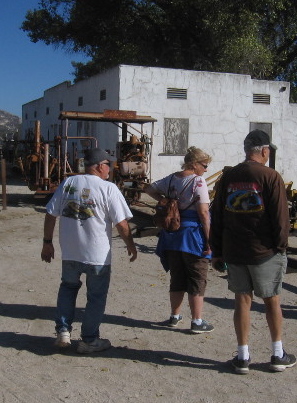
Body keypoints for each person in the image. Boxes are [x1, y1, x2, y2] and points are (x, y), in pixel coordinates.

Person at [210, 130, 296, 374]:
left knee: (242, 301)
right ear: (265, 151)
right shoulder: (271, 176)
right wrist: (280, 247)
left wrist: (217, 250)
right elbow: (281, 218)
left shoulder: (229, 176)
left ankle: (242, 356)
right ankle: (278, 354)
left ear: (247, 150)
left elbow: (217, 215)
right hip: (265, 251)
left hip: (235, 250)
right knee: (272, 301)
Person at [41, 148, 137, 353]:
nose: (110, 169)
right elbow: (121, 224)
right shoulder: (108, 188)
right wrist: (130, 245)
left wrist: (47, 242)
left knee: (67, 288)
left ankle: (63, 332)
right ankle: (89, 340)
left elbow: (50, 214)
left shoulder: (68, 184)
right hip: (97, 256)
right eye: (108, 165)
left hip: (70, 252)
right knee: (96, 296)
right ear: (99, 166)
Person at [144, 147, 214, 334]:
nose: (206, 169)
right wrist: (209, 241)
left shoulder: (171, 178)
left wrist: (166, 201)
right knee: (196, 278)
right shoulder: (198, 181)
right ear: (194, 164)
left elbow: (148, 188)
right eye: (205, 165)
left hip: (171, 235)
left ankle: (175, 316)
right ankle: (197, 321)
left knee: (177, 277)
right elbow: (204, 213)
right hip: (192, 236)